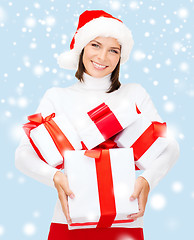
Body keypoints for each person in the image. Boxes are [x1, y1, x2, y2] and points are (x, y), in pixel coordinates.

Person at [15, 10, 180, 240]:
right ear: (82, 47)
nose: (103, 57)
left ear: (121, 56)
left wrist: (147, 179)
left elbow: (170, 147)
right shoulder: (57, 96)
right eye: (95, 45)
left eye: (113, 50)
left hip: (126, 220)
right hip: (70, 220)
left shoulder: (134, 94)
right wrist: (54, 176)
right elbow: (23, 155)